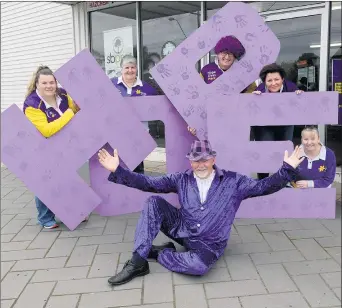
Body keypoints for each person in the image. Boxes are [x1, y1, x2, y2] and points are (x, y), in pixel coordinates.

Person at [98, 139, 304, 285]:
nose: (201, 164)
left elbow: (263, 186)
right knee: (153, 202)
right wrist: (119, 171)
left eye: (205, 159)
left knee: (198, 268)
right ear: (190, 161)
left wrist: (286, 170)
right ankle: (138, 262)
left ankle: (163, 253)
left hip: (209, 244)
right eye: (196, 160)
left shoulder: (234, 181)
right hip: (183, 228)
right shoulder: (182, 178)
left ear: (213, 159)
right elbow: (148, 183)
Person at [23, 65, 80, 229]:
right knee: (46, 181)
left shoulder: (62, 94)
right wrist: (70, 113)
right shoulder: (32, 104)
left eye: (52, 82)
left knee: (67, 178)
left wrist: (76, 107)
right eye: (44, 83)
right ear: (37, 85)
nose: (49, 86)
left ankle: (70, 211)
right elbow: (46, 130)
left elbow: (74, 108)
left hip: (66, 145)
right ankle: (44, 217)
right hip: (42, 148)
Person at [252, 63, 304, 180]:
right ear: (264, 81)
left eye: (277, 79)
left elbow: (300, 104)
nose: (273, 83)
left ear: (282, 79)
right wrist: (253, 98)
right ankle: (262, 181)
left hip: (285, 124)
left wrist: (299, 95)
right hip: (265, 126)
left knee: (285, 151)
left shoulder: (291, 87)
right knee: (265, 152)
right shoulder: (259, 89)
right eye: (269, 80)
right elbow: (252, 109)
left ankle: (283, 180)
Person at [111, 55, 158, 174]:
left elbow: (156, 106)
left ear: (136, 68)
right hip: (118, 133)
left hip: (139, 135)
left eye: (133, 67)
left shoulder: (147, 88)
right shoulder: (111, 85)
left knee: (137, 169)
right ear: (121, 69)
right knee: (118, 167)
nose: (130, 70)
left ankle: (138, 191)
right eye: (127, 67)